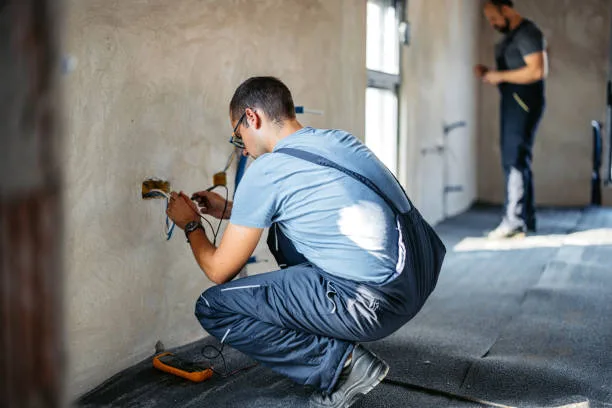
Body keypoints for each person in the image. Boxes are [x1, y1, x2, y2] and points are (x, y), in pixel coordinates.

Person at [166, 76, 446, 407]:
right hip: (420, 276)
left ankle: (344, 365)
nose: (240, 144)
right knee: (283, 233)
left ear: (251, 118)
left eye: (237, 133)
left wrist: (191, 224)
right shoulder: (340, 141)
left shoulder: (268, 169)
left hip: (374, 303)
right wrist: (231, 210)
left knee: (214, 307)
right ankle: (335, 338)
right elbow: (314, 207)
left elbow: (218, 269)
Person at [475, 0, 548, 238]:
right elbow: (515, 69)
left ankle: (514, 222)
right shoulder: (514, 35)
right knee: (519, 159)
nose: (493, 23)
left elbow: (537, 70)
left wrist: (499, 75)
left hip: (523, 104)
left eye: (494, 18)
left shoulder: (528, 32)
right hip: (514, 102)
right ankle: (526, 220)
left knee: (514, 159)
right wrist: (490, 74)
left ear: (506, 9)